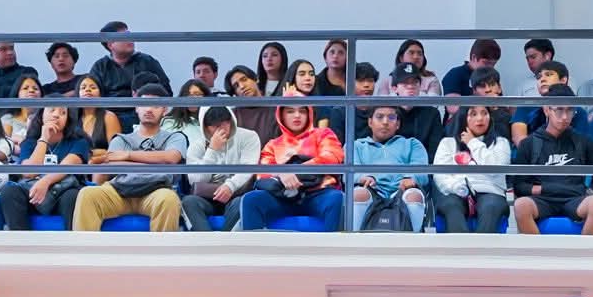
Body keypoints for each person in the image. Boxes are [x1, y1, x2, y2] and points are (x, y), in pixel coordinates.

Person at [72, 85, 186, 232]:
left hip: (156, 192)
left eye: (156, 105)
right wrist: (157, 163)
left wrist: (128, 155)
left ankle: (161, 248)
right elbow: (111, 164)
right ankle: (85, 247)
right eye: (144, 105)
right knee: (87, 194)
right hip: (119, 192)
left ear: (165, 110)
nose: (149, 109)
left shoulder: (175, 137)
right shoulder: (121, 139)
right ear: (136, 108)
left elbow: (171, 157)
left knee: (169, 199)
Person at [510, 85, 593, 235]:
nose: (565, 117)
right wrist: (544, 189)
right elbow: (519, 184)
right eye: (559, 110)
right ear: (546, 109)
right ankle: (537, 250)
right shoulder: (530, 143)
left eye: (570, 110)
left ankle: (585, 250)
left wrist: (590, 191)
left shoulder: (583, 141)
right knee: (521, 205)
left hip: (575, 199)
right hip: (542, 199)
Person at [237, 103, 345, 232]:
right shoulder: (272, 145)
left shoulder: (323, 134)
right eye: (290, 111)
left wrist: (296, 171)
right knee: (251, 199)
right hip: (282, 196)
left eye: (302, 111)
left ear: (309, 114)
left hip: (318, 194)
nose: (297, 115)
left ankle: (331, 245)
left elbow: (332, 157)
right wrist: (282, 173)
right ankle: (254, 245)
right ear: (281, 115)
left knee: (336, 198)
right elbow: (263, 173)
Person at [433, 104, 512, 234]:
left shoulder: (500, 143)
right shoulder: (448, 143)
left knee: (490, 206)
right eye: (473, 114)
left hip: (491, 192)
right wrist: (457, 187)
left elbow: (495, 168)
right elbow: (440, 174)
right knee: (451, 204)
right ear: (463, 117)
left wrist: (472, 143)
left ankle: (481, 247)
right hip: (456, 191)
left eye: (484, 113)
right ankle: (462, 246)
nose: (480, 118)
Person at [180, 105, 260, 232]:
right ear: (205, 127)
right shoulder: (196, 146)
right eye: (215, 126)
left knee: (244, 203)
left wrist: (230, 186)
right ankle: (208, 242)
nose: (222, 129)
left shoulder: (249, 137)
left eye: (225, 123)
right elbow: (195, 180)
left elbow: (248, 168)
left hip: (236, 195)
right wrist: (212, 150)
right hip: (207, 197)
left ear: (231, 120)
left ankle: (223, 242)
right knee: (188, 202)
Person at [351, 106, 428, 231]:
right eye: (379, 117)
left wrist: (411, 178)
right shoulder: (356, 146)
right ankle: (354, 239)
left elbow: (423, 173)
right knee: (358, 194)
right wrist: (362, 177)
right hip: (372, 189)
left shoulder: (412, 144)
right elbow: (348, 174)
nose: (385, 122)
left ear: (398, 124)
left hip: (402, 190)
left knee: (414, 196)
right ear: (370, 122)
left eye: (391, 117)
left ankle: (414, 240)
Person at [88, 22, 169, 129]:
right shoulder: (100, 66)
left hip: (142, 113)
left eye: (130, 35)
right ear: (110, 45)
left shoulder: (147, 61)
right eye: (124, 37)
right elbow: (93, 95)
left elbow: (166, 91)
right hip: (109, 116)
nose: (130, 39)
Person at [392, 62, 447, 158]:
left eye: (415, 82)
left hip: (424, 165)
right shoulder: (387, 113)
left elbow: (435, 151)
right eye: (405, 83)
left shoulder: (431, 114)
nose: (411, 86)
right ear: (395, 88)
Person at [375, 40, 444, 100]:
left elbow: (433, 104)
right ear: (401, 58)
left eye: (420, 54)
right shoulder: (387, 80)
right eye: (411, 53)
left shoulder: (432, 80)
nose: (416, 57)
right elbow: (381, 104)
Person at [72, 74, 122, 150]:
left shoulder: (109, 117)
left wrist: (92, 154)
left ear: (100, 94)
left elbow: (116, 151)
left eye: (93, 87)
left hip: (103, 158)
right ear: (77, 94)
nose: (87, 90)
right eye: (83, 88)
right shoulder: (71, 118)